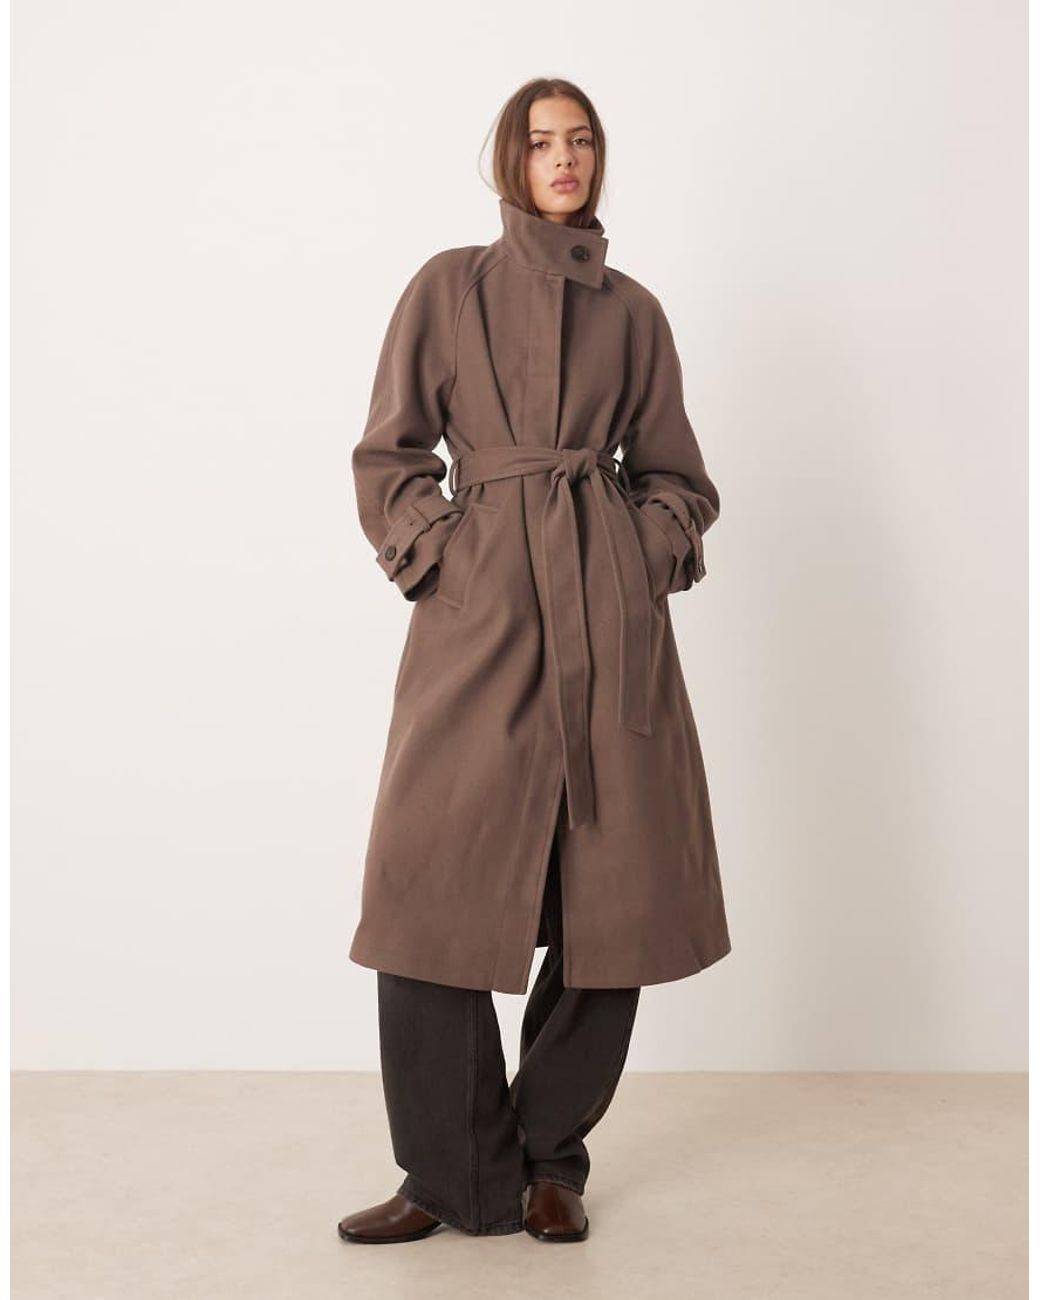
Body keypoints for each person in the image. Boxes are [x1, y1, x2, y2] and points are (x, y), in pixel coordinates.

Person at [338, 76, 731, 1245]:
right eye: (541, 142)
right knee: (425, 890)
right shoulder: (445, 287)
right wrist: (444, 556)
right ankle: (449, 1172)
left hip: (607, 621)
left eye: (581, 141)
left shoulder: (634, 313)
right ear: (507, 159)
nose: (563, 159)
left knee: (615, 903)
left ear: (597, 160)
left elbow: (677, 478)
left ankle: (550, 1160)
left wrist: (636, 553)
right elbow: (389, 455)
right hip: (479, 618)